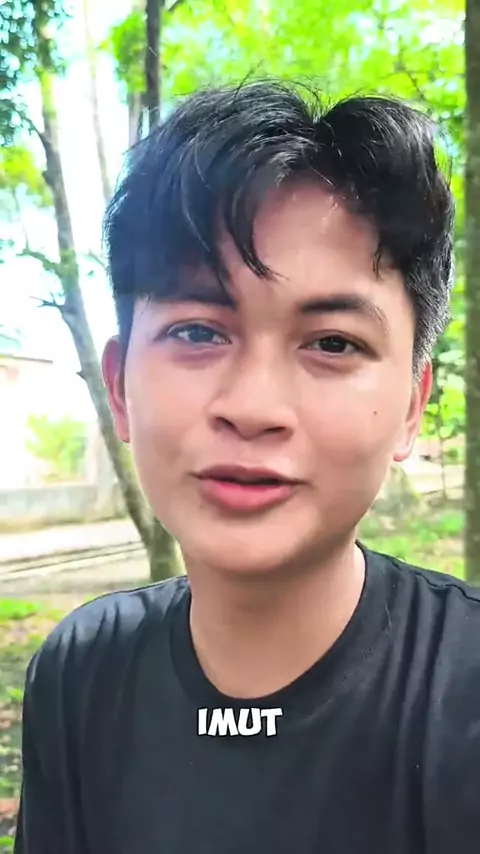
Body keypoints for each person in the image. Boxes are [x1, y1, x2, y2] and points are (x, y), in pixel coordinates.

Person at [14, 79, 480, 854]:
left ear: (411, 405)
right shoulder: (78, 676)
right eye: (198, 331)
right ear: (120, 387)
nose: (254, 406)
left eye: (333, 343)